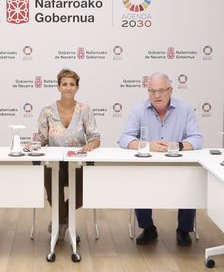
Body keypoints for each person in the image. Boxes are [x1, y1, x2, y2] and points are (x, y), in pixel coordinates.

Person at [118, 72, 204, 246]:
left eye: (161, 91)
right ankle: (148, 228)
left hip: (178, 166)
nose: (156, 96)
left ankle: (184, 230)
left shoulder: (185, 109)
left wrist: (176, 145)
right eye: (152, 91)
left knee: (190, 181)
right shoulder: (139, 110)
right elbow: (124, 139)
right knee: (139, 181)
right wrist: (147, 145)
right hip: (148, 167)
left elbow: (197, 139)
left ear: (170, 90)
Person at [33, 68, 101, 239]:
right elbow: (42, 138)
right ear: (58, 87)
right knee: (51, 184)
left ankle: (61, 221)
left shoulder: (85, 109)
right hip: (54, 163)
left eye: (72, 84)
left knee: (84, 191)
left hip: (77, 163)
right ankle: (65, 223)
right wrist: (32, 145)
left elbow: (95, 137)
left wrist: (92, 144)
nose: (68, 87)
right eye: (65, 84)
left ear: (77, 88)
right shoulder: (48, 110)